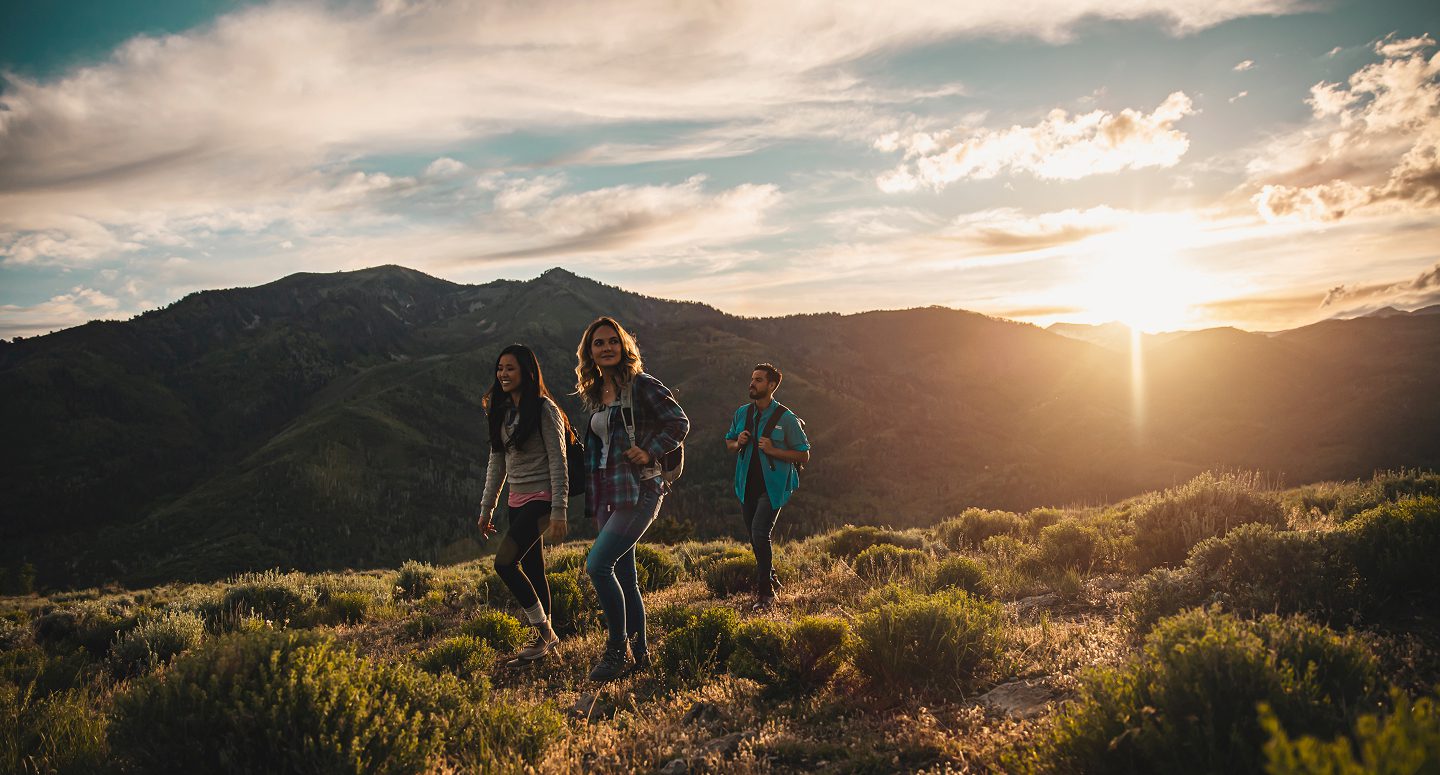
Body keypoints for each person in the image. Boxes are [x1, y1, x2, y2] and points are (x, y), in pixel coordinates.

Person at [575, 316, 689, 681]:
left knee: (597, 566)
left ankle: (615, 652)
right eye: (598, 343)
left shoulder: (640, 385)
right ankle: (640, 655)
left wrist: (648, 450)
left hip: (641, 489)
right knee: (625, 577)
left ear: (624, 346)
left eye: (612, 341)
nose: (606, 348)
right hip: (608, 492)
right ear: (589, 352)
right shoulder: (595, 393)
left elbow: (679, 422)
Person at [477, 344, 570, 665]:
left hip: (542, 500)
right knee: (532, 568)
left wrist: (559, 509)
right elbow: (496, 462)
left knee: (504, 564)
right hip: (515, 500)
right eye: (499, 368)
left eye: (510, 368)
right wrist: (486, 508)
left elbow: (559, 461)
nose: (503, 374)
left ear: (526, 373)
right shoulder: (501, 411)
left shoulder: (546, 410)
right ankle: (546, 643)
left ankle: (544, 632)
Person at [724, 363, 810, 610]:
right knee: (754, 535)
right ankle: (770, 576)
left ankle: (766, 594)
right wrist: (737, 443)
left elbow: (803, 456)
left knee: (760, 533)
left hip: (773, 487)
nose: (752, 383)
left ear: (771, 386)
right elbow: (729, 443)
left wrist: (774, 450)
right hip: (745, 486)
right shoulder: (742, 413)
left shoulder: (786, 418)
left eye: (759, 380)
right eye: (752, 379)